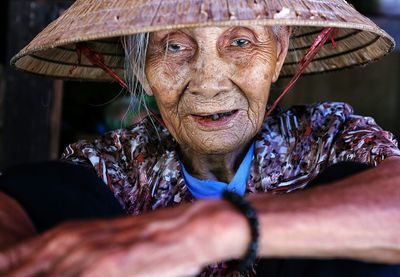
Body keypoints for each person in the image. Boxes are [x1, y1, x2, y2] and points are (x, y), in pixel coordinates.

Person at [1, 0, 400, 276]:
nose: (208, 84)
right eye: (174, 46)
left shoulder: (329, 141)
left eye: (240, 42)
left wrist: (211, 229)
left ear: (278, 56)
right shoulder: (107, 169)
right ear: (142, 69)